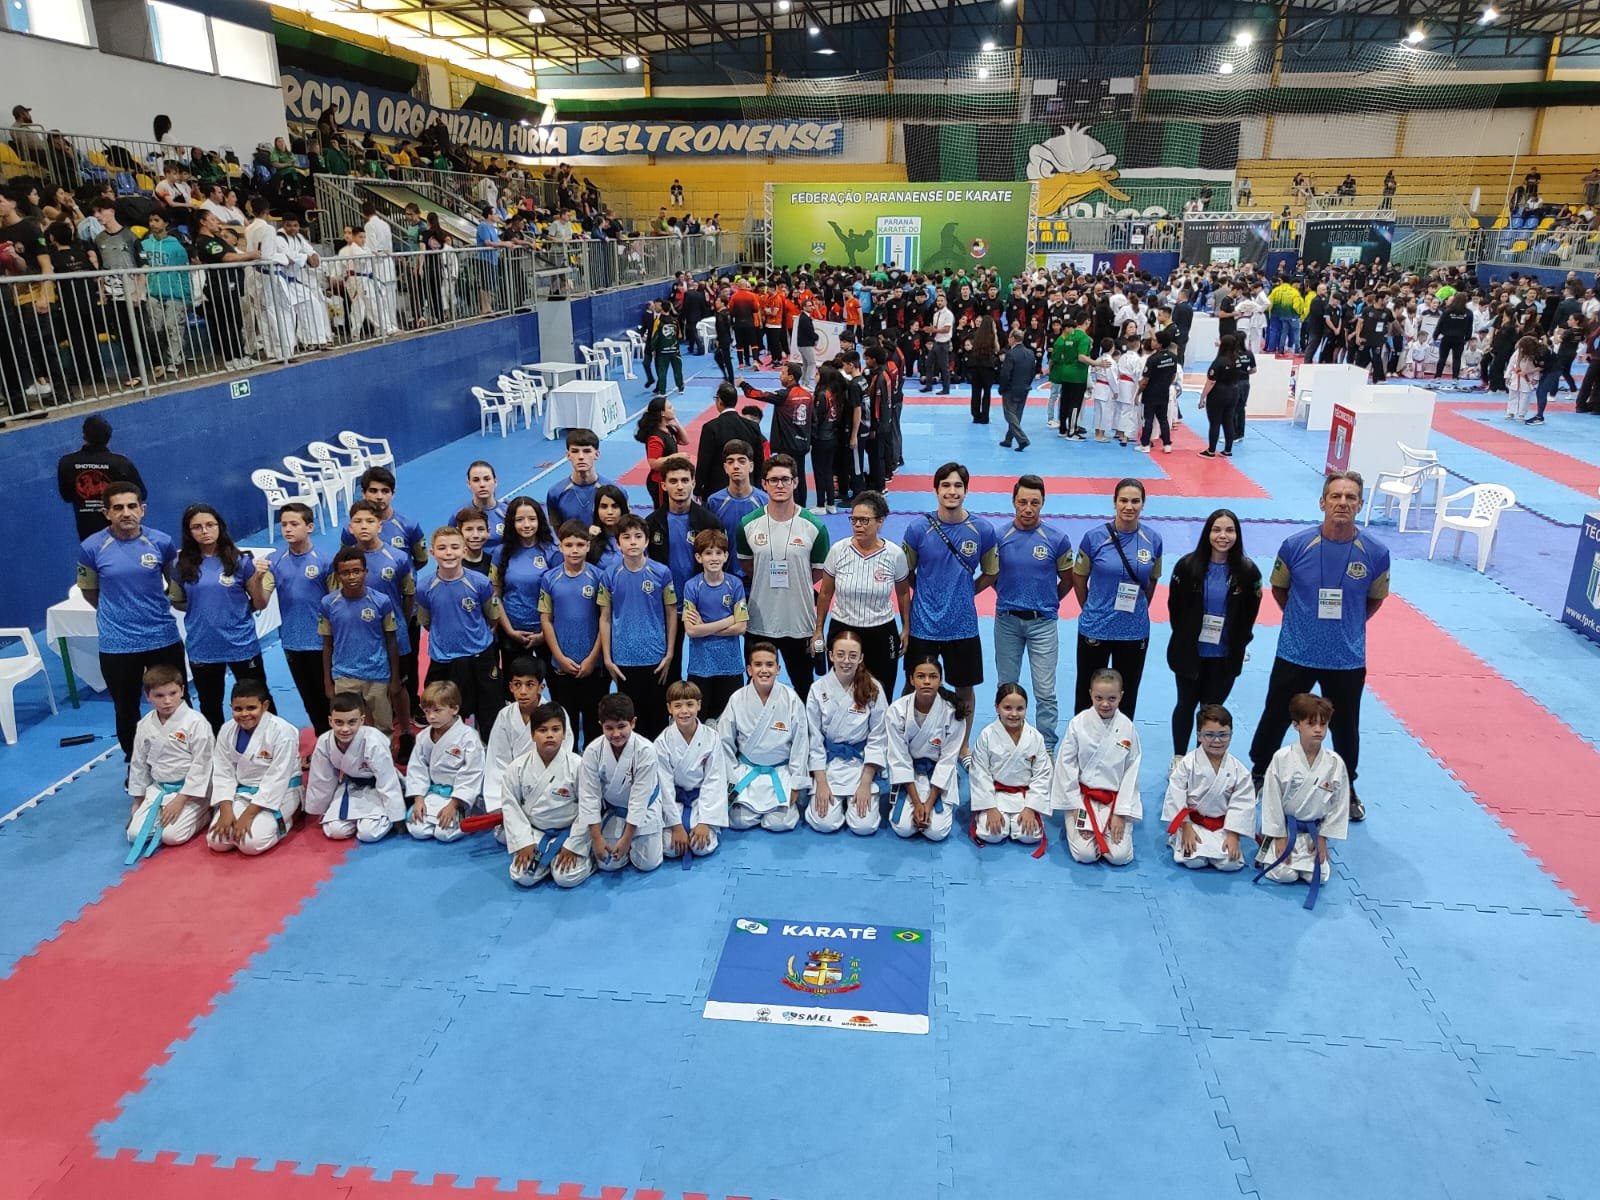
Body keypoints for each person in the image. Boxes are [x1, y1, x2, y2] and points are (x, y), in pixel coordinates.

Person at [1247, 471, 1388, 823]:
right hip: (1296, 649)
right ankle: (1260, 772)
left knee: (1346, 726)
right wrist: (1303, 620)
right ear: (1322, 502)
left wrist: (1347, 625)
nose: (1342, 503)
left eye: (1350, 497)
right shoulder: (1295, 546)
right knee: (1275, 713)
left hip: (1346, 656)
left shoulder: (1376, 553)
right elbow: (1280, 589)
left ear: (1360, 504)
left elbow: (1374, 600)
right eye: (1336, 496)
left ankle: (1347, 786)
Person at [77, 482, 186, 760]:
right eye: (118, 508)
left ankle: (184, 755)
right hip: (118, 643)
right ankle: (135, 762)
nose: (126, 513)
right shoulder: (91, 547)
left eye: (131, 506)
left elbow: (174, 584)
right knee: (125, 707)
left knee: (176, 701)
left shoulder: (161, 542)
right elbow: (89, 591)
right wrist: (119, 614)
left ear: (142, 509)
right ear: (106, 513)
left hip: (162, 636)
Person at [902, 463, 998, 762]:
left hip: (963, 624)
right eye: (946, 485)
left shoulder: (982, 530)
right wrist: (926, 593)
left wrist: (966, 592)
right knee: (912, 684)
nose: (951, 491)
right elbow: (906, 572)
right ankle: (908, 739)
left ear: (966, 491)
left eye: (958, 486)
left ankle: (963, 745)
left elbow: (991, 572)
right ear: (936, 489)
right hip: (923, 623)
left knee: (964, 688)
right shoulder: (918, 528)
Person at [1166, 509, 1262, 767]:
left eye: (1229, 530)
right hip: (1191, 651)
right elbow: (1175, 608)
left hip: (1224, 655)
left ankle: (1202, 759)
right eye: (1217, 530)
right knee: (1185, 704)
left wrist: (1240, 642)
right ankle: (1179, 757)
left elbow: (1251, 614)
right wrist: (1186, 636)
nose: (1223, 536)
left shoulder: (1248, 572)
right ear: (1207, 533)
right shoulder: (1187, 566)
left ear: (1237, 535)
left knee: (1211, 708)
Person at [993, 475, 1075, 755]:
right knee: (1006, 686)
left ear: (1043, 503)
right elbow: (991, 574)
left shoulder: (1057, 539)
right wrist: (1008, 594)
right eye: (1023, 502)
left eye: (1034, 503)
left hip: (1043, 624)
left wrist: (1047, 601)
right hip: (1007, 621)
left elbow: (1068, 580)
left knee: (1045, 691)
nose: (1028, 509)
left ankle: (1046, 747)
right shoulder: (999, 537)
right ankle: (1005, 742)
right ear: (1013, 502)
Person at [170, 504, 271, 732]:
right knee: (210, 704)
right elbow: (177, 600)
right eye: (197, 527)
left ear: (219, 526)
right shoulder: (180, 565)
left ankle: (269, 744)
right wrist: (204, 608)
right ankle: (217, 748)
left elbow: (259, 603)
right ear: (189, 532)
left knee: (258, 698)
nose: (204, 531)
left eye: (210, 525)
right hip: (203, 646)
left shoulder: (240, 561)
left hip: (241, 643)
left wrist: (257, 580)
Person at [736, 454, 829, 698]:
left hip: (799, 621)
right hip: (760, 621)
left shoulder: (814, 527)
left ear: (795, 482)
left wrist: (795, 580)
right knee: (756, 688)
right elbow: (747, 565)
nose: (780, 485)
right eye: (773, 480)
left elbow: (817, 572)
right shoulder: (747, 524)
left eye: (785, 479)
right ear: (764, 484)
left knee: (804, 688)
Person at [1072, 478, 1161, 718]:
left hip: (1134, 629)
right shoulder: (1094, 538)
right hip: (1096, 626)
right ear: (1114, 502)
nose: (1129, 506)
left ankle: (1122, 740)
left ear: (1143, 504)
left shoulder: (1153, 540)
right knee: (1087, 694)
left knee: (1127, 696)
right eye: (1123, 500)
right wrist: (1091, 607)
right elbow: (1079, 577)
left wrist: (1139, 609)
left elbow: (1152, 580)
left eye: (1135, 501)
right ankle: (1082, 741)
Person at [554, 692, 664, 884]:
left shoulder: (646, 751)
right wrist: (596, 838)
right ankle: (603, 849)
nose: (616, 734)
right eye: (609, 728)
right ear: (601, 725)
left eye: (621, 726)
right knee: (608, 864)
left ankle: (635, 840)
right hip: (614, 808)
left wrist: (627, 839)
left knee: (648, 863)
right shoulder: (592, 751)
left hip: (645, 809)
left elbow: (639, 800)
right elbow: (589, 797)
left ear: (633, 723)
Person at [1255, 693, 1350, 908]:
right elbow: (1271, 799)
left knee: (1320, 876)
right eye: (1311, 724)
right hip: (1286, 829)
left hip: (1313, 832)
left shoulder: (1335, 763)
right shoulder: (1282, 758)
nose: (1318, 730)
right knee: (1284, 875)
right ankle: (1272, 848)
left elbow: (1339, 804)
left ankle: (1309, 851)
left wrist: (1323, 837)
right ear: (1296, 725)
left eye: (1323, 724)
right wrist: (1279, 836)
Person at [813, 489, 909, 700]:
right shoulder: (838, 550)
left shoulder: (895, 555)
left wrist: (906, 628)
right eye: (854, 519)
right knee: (841, 692)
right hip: (843, 628)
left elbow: (903, 594)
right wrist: (818, 630)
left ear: (880, 522)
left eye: (864, 520)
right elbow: (825, 593)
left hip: (882, 630)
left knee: (881, 692)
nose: (858, 525)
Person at [417, 525, 503, 743]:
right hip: (444, 659)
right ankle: (450, 750)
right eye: (442, 548)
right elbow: (426, 621)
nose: (449, 553)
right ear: (432, 552)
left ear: (464, 551)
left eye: (455, 547)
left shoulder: (480, 582)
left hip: (480, 656)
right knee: (445, 712)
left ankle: (488, 748)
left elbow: (492, 616)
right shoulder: (425, 587)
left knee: (489, 710)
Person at [1052, 668, 1142, 866]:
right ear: (1090, 694)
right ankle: (1074, 822)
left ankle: (1113, 821)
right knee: (1085, 854)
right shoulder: (1078, 724)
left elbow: (1131, 772)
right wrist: (1075, 808)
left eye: (1112, 698)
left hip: (1114, 800)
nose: (1105, 703)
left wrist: (1120, 813)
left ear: (1121, 696)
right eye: (1099, 697)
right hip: (1082, 798)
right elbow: (1066, 766)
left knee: (1119, 857)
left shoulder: (1127, 727)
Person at [805, 626, 889, 835]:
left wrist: (866, 783)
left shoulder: (873, 688)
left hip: (860, 763)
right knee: (824, 824)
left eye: (853, 655)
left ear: (861, 658)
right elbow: (814, 739)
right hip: (829, 763)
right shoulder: (818, 689)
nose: (846, 661)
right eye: (840, 654)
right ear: (831, 656)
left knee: (864, 826)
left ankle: (857, 796)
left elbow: (878, 738)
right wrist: (821, 782)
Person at [600, 514, 677, 740]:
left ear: (647, 541)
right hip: (624, 658)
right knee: (631, 718)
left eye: (638, 536)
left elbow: (671, 613)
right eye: (626, 537)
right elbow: (605, 617)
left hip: (655, 657)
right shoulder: (609, 574)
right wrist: (607, 658)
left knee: (657, 719)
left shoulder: (662, 572)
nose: (632, 542)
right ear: (618, 543)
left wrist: (669, 653)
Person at [124, 664, 214, 855]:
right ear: (147, 696)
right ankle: (167, 813)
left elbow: (202, 764)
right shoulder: (145, 724)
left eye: (173, 693)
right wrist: (138, 800)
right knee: (134, 834)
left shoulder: (196, 722)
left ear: (182, 690)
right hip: (159, 788)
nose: (167, 701)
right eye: (159, 695)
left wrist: (181, 799)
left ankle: (206, 812)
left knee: (172, 836)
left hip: (192, 792)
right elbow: (139, 763)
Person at [720, 641, 810, 832]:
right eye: (758, 665)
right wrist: (731, 775)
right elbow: (724, 741)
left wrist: (796, 783)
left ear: (778, 669)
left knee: (781, 823)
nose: (764, 670)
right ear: (749, 670)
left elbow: (801, 744)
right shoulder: (737, 698)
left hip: (781, 771)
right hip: (747, 770)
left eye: (769, 665)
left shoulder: (791, 698)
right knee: (739, 821)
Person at [207, 679, 301, 856]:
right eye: (238, 709)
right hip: (243, 791)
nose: (244, 714)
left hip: (280, 792)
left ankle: (289, 820)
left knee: (250, 844)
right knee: (216, 840)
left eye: (251, 708)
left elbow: (278, 778)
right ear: (231, 707)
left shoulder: (283, 732)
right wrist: (226, 810)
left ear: (265, 706)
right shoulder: (227, 730)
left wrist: (247, 815)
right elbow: (222, 772)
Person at [320, 546, 405, 738]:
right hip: (344, 675)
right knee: (348, 726)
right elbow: (327, 644)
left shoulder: (382, 601)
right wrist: (327, 681)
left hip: (377, 673)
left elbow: (391, 641)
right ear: (337, 575)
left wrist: (394, 678)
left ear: (366, 572)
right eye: (345, 573)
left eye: (356, 571)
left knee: (384, 727)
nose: (352, 577)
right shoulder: (328, 604)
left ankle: (385, 755)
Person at [1161, 704, 1255, 872]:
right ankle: (1180, 837)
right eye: (1210, 735)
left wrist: (1233, 835)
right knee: (1193, 860)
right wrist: (1186, 827)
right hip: (1193, 823)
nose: (1217, 741)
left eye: (1223, 735)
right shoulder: (1187, 764)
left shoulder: (1239, 770)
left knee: (1230, 863)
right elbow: (1176, 796)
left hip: (1222, 826)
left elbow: (1242, 804)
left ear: (1231, 735)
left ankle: (1225, 840)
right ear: (1199, 735)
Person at [540, 521, 609, 747]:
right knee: (565, 721)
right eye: (569, 545)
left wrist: (592, 658)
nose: (575, 550)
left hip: (593, 665)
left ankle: (592, 760)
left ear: (588, 546)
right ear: (560, 547)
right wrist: (559, 657)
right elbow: (546, 620)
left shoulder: (599, 577)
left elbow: (605, 620)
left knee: (593, 723)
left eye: (580, 544)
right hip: (562, 665)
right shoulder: (549, 579)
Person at [302, 692, 406, 842]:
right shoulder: (325, 741)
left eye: (352, 722)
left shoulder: (373, 741)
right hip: (350, 785)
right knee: (335, 831)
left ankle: (376, 817)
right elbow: (322, 778)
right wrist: (319, 809)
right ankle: (360, 817)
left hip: (377, 786)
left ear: (362, 720)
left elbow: (387, 780)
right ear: (330, 721)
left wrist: (397, 817)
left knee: (368, 834)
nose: (345, 729)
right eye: (339, 722)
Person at [499, 703, 583, 887]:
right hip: (536, 832)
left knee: (564, 877)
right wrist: (523, 842)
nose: (550, 735)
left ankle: (587, 858)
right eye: (543, 730)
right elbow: (511, 807)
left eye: (556, 729)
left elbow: (589, 808)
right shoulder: (517, 768)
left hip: (569, 832)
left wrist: (574, 845)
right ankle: (548, 859)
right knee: (523, 876)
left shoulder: (578, 766)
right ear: (532, 735)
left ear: (564, 733)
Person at [884, 655, 964, 842]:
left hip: (938, 772)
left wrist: (928, 804)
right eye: (921, 676)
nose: (927, 681)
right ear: (911, 680)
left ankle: (936, 800)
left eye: (933, 676)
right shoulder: (897, 711)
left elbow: (948, 760)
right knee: (903, 828)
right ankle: (910, 798)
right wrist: (917, 802)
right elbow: (899, 759)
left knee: (937, 832)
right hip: (909, 772)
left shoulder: (953, 712)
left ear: (941, 680)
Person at [968, 682, 1052, 850]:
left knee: (1030, 836)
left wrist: (1031, 808)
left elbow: (1043, 774)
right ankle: (991, 816)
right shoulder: (987, 735)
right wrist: (990, 807)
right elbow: (980, 773)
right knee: (991, 834)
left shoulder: (1035, 737)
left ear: (1026, 709)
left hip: (1024, 796)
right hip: (995, 794)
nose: (1014, 714)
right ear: (996, 707)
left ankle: (1019, 818)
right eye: (1007, 708)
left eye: (1020, 709)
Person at [655, 680, 729, 864]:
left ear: (699, 705)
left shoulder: (712, 738)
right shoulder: (662, 742)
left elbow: (715, 780)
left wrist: (705, 822)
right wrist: (676, 825)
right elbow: (664, 787)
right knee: (670, 848)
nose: (684, 711)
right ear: (669, 708)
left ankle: (704, 824)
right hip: (674, 802)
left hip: (701, 800)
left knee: (701, 846)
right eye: (678, 706)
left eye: (690, 704)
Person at [681, 529, 749, 723]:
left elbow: (741, 627)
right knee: (699, 721)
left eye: (719, 553)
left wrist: (705, 627)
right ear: (698, 557)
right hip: (700, 666)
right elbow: (691, 631)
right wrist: (729, 620)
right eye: (708, 553)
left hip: (731, 666)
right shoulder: (691, 586)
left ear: (726, 556)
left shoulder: (735, 584)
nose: (714, 558)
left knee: (730, 722)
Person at [404, 680, 483, 842]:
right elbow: (417, 769)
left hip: (458, 796)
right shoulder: (423, 737)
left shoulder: (469, 737)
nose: (431, 717)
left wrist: (454, 804)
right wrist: (419, 799)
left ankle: (466, 814)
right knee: (417, 830)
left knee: (444, 834)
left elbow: (472, 773)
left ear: (454, 709)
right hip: (432, 793)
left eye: (437, 710)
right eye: (427, 711)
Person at [58, 416, 147, 542]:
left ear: (84, 436)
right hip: (122, 529)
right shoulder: (121, 463)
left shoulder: (67, 463)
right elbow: (141, 493)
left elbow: (67, 496)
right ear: (109, 437)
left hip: (87, 531)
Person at [738, 364, 813, 506]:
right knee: (800, 475)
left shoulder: (784, 395)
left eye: (783, 373)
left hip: (787, 444)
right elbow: (812, 420)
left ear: (791, 377)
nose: (780, 376)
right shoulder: (808, 395)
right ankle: (801, 506)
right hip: (802, 443)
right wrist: (809, 441)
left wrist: (743, 384)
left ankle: (790, 506)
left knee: (787, 476)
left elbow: (758, 394)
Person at [494, 496, 554, 673]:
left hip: (547, 632)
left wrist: (545, 633)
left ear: (540, 520)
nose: (526, 525)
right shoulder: (500, 553)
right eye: (520, 520)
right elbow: (495, 596)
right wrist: (509, 631)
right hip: (513, 632)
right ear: (511, 523)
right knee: (515, 683)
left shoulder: (552, 551)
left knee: (555, 682)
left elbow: (559, 597)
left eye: (532, 519)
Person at [706, 439, 768, 581]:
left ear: (751, 466)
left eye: (741, 461)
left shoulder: (765, 502)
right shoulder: (714, 502)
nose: (736, 466)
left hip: (757, 576)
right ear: (725, 467)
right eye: (730, 462)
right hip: (724, 576)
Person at [695, 383, 765, 500]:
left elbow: (704, 461)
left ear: (719, 401)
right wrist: (757, 485)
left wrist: (698, 488)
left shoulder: (711, 427)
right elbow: (759, 459)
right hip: (746, 487)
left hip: (717, 488)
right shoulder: (752, 426)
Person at [546, 429, 611, 530]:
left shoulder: (614, 491)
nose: (581, 457)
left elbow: (624, 527)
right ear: (568, 455)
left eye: (587, 451)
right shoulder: (556, 493)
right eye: (575, 451)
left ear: (597, 454)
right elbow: (559, 531)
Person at [1198, 333, 1245, 457]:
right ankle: (1228, 450)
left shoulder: (1219, 362)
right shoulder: (1238, 359)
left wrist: (1202, 397)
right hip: (1234, 392)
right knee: (1228, 421)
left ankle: (1211, 451)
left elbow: (1211, 381)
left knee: (1215, 422)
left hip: (1218, 394)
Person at [1136, 329, 1180, 453]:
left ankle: (1145, 444)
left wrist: (1138, 393)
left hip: (1151, 393)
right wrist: (1165, 384)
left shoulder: (1152, 359)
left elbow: (1145, 380)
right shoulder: (1173, 357)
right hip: (1164, 392)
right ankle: (1167, 444)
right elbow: (1173, 375)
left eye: (1154, 340)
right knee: (1163, 419)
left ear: (1160, 344)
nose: (1152, 342)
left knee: (1148, 419)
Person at [1051, 311, 1093, 438]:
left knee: (1065, 402)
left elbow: (1060, 355)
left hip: (1066, 373)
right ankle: (1072, 431)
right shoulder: (1084, 338)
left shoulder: (1067, 337)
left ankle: (1062, 429)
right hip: (1078, 375)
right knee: (1075, 404)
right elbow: (1081, 357)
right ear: (1087, 322)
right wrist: (1097, 363)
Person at [995, 326, 1036, 451]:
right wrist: (1027, 384)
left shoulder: (1011, 354)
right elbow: (1033, 372)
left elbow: (1006, 374)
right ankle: (1009, 439)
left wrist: (1002, 388)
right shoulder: (1030, 353)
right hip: (1024, 388)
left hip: (1011, 389)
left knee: (1010, 415)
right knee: (1017, 415)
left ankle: (1022, 439)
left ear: (1013, 338)